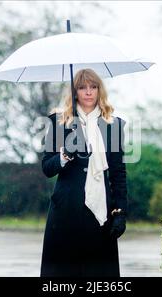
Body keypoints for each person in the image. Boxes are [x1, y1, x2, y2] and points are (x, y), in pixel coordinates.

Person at [40, 68, 128, 277]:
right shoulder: (60, 122)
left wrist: (121, 213)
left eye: (93, 87)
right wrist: (65, 154)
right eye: (82, 87)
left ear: (99, 90)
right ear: (75, 92)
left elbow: (118, 174)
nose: (88, 92)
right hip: (66, 211)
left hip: (100, 213)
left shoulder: (113, 125)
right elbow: (47, 168)